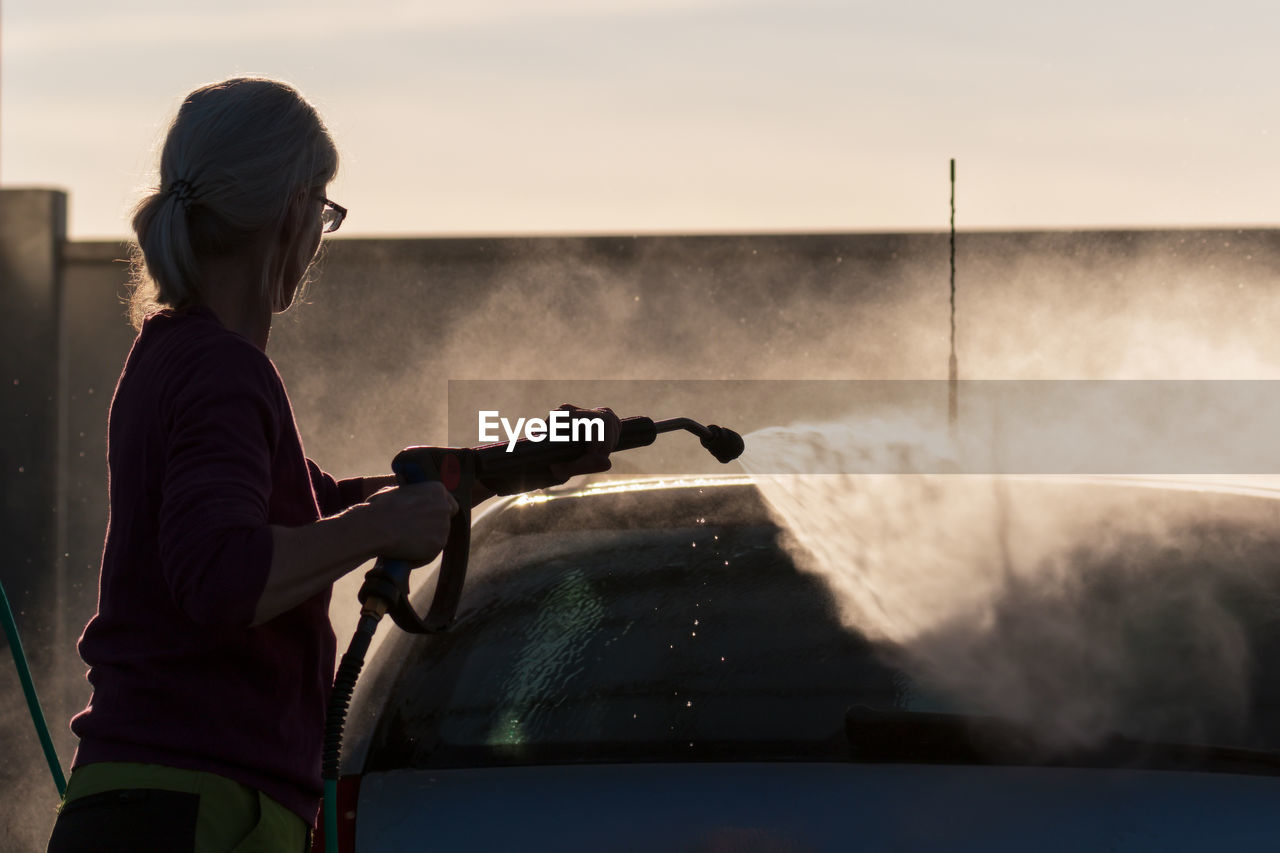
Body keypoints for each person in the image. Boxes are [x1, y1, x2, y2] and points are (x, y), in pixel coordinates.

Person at [46, 77, 616, 852]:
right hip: (194, 812)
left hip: (165, 804)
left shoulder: (177, 354)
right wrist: (379, 524)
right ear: (290, 211)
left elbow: (309, 512)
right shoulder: (221, 370)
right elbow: (222, 574)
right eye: (324, 211)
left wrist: (511, 464)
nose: (320, 236)